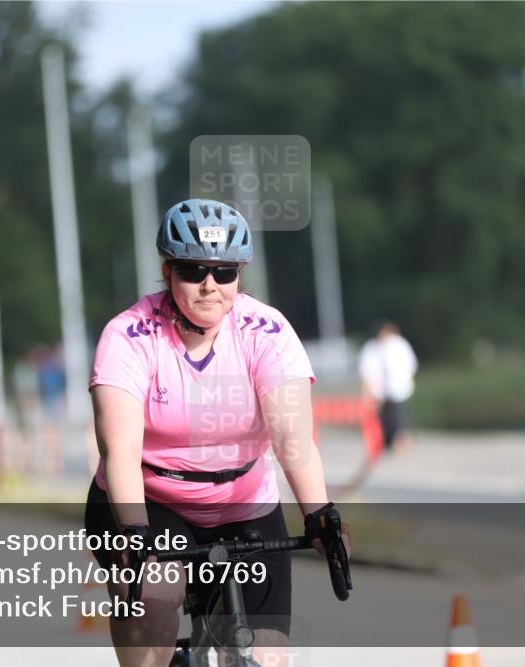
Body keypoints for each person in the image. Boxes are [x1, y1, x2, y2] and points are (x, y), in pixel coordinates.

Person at [84, 198, 351, 666]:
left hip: (243, 501)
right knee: (155, 601)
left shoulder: (265, 332)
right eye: (193, 270)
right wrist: (134, 532)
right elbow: (120, 452)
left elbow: (293, 438)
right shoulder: (128, 336)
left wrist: (320, 514)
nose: (210, 285)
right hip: (149, 499)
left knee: (264, 656)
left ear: (239, 277)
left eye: (225, 272)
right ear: (167, 273)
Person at [358, 319, 418, 456]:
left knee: (399, 420)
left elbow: (410, 366)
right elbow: (367, 372)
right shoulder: (373, 347)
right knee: (387, 420)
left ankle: (400, 444)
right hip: (381, 393)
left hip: (399, 390)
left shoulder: (398, 344)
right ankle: (389, 444)